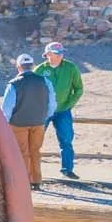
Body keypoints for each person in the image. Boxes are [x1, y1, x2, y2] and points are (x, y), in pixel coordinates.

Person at [0, 54, 56, 188]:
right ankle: (36, 181)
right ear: (32, 66)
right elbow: (52, 104)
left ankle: (24, 182)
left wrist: (5, 124)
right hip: (38, 122)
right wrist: (44, 117)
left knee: (22, 152)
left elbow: (7, 108)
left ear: (18, 67)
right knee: (35, 151)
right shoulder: (45, 81)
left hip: (18, 124)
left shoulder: (14, 84)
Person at [35, 40, 85, 180]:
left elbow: (79, 89)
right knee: (35, 141)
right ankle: (31, 170)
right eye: (57, 53)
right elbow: (31, 89)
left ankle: (67, 169)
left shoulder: (71, 68)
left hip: (63, 111)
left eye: (61, 53)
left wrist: (69, 104)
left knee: (66, 140)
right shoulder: (39, 70)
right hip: (42, 111)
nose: (60, 55)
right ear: (48, 54)